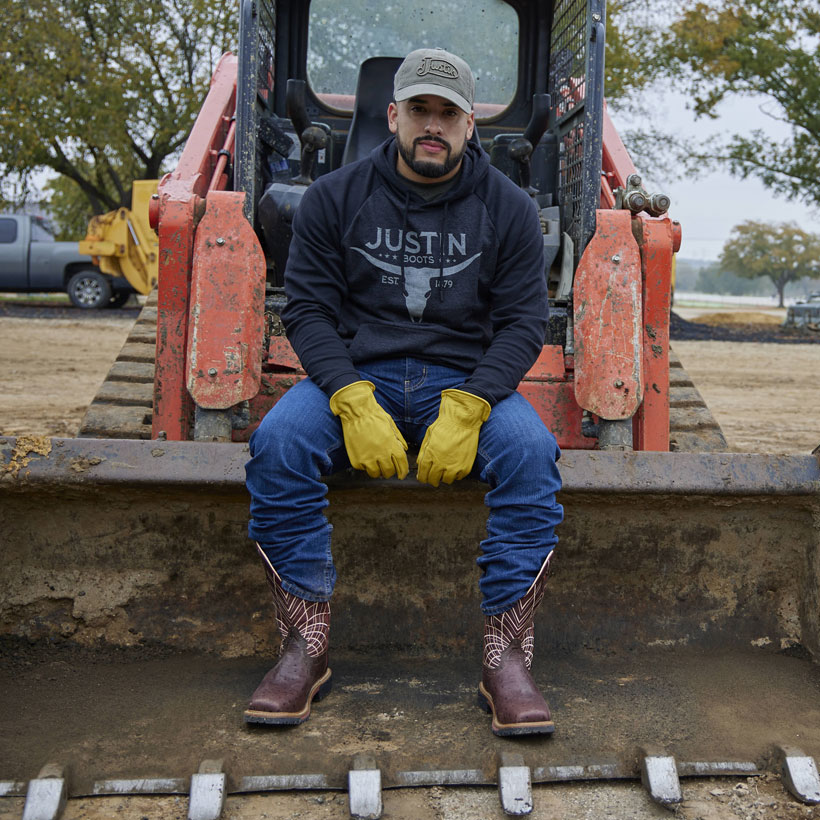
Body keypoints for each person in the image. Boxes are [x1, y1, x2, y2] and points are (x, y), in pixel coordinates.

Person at [243, 47, 564, 737]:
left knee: (533, 455)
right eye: (419, 109)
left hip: (467, 383)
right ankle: (305, 646)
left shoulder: (508, 209)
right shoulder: (334, 198)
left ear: (470, 124)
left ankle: (505, 659)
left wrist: (475, 403)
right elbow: (306, 310)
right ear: (392, 115)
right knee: (277, 443)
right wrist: (352, 398)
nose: (432, 124)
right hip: (363, 376)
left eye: (447, 113)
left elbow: (523, 322)